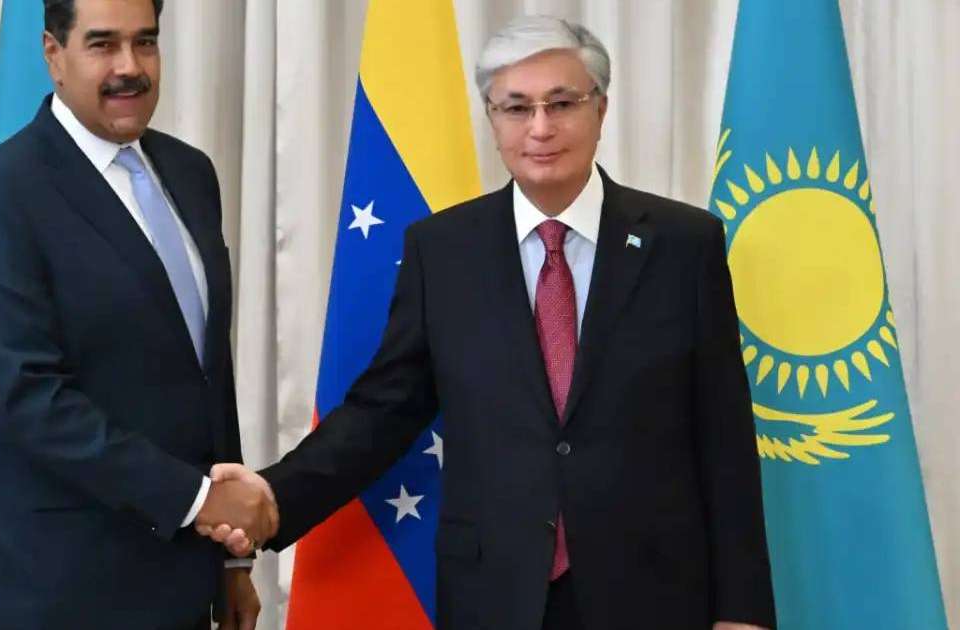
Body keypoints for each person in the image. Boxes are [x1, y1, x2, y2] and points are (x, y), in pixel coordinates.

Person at [206, 16, 776, 630]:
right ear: (491, 116)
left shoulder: (682, 244)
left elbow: (724, 438)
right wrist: (275, 496)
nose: (540, 128)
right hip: (496, 592)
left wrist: (742, 611)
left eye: (562, 103)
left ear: (601, 108)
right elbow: (384, 410)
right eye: (516, 107)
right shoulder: (443, 250)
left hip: (655, 593)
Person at [0, 1, 273, 628]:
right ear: (52, 54)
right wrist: (199, 500)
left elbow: (204, 371)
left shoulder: (191, 173)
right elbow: (26, 397)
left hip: (185, 577)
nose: (130, 67)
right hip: (64, 590)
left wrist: (230, 558)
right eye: (102, 45)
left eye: (145, 42)